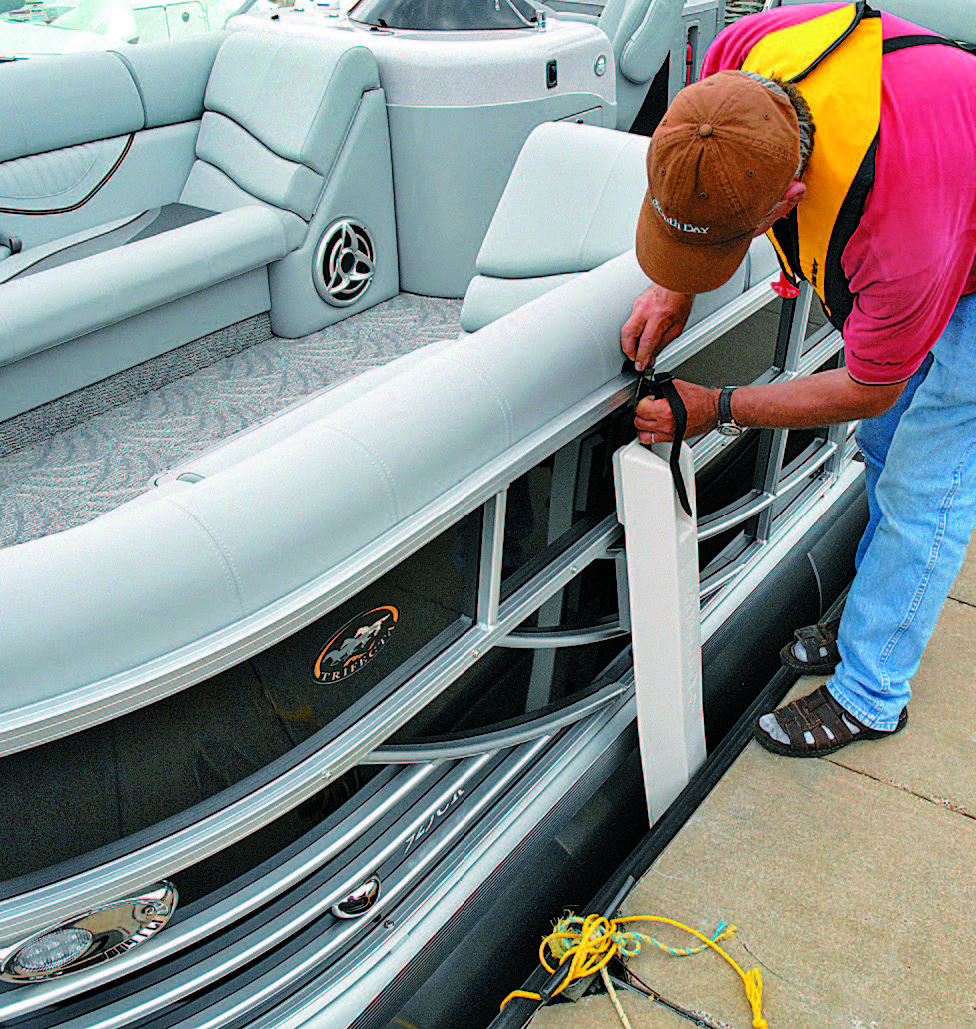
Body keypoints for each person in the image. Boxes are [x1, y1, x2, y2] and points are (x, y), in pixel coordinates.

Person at [622, 1, 976, 757]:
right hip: (946, 180)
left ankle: (871, 692)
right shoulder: (737, 64)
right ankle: (871, 613)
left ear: (789, 199)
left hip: (959, 231)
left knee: (927, 484)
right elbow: (707, 183)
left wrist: (718, 406)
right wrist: (674, 286)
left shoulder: (898, 231)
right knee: (882, 452)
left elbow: (867, 387)